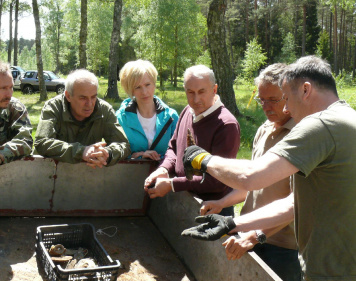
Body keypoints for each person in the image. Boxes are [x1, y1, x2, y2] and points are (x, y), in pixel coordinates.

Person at [182, 56, 356, 280]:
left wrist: (201, 159)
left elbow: (251, 176)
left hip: (331, 272)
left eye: (286, 97)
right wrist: (233, 222)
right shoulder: (347, 118)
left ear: (305, 90)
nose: (287, 108)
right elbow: (294, 204)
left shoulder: (321, 125)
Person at [199, 63, 301, 281]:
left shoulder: (300, 138)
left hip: (281, 247)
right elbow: (251, 185)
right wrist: (223, 203)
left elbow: (297, 204)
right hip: (247, 234)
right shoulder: (264, 129)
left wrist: (255, 236)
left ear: (289, 96)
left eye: (273, 100)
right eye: (262, 100)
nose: (266, 107)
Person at [143, 65, 240, 216]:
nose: (196, 100)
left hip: (212, 211)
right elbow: (173, 148)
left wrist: (172, 184)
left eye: (202, 92)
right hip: (185, 203)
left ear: (214, 90)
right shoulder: (187, 111)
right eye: (190, 92)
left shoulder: (226, 125)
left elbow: (218, 180)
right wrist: (164, 169)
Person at [34, 69, 130, 168]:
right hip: (49, 173)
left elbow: (123, 145)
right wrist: (81, 151)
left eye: (93, 97)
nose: (89, 104)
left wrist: (107, 153)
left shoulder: (104, 110)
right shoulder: (53, 107)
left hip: (87, 175)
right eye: (83, 98)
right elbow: (42, 142)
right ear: (68, 96)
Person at [116, 60, 179, 160]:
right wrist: (136, 156)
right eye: (138, 87)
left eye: (147, 85)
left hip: (165, 173)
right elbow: (116, 153)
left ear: (154, 84)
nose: (144, 92)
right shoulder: (120, 118)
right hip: (130, 173)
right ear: (130, 90)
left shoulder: (172, 116)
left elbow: (179, 151)